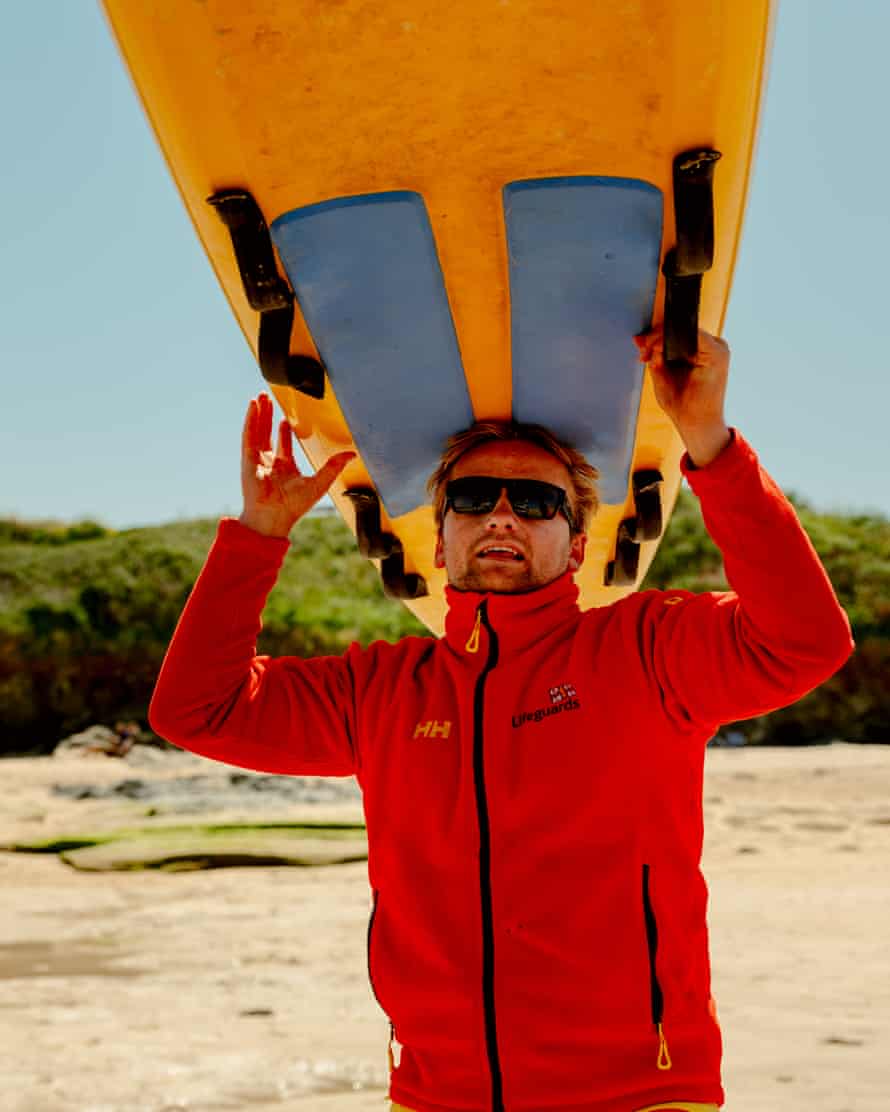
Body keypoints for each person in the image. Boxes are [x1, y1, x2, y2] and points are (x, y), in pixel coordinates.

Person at [149, 326, 853, 1112]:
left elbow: (806, 643)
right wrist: (259, 537)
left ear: (577, 541)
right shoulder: (383, 691)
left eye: (539, 502)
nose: (503, 516)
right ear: (442, 541)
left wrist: (711, 446)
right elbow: (195, 711)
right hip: (434, 1095)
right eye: (475, 499)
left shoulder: (647, 652)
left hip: (640, 1093)